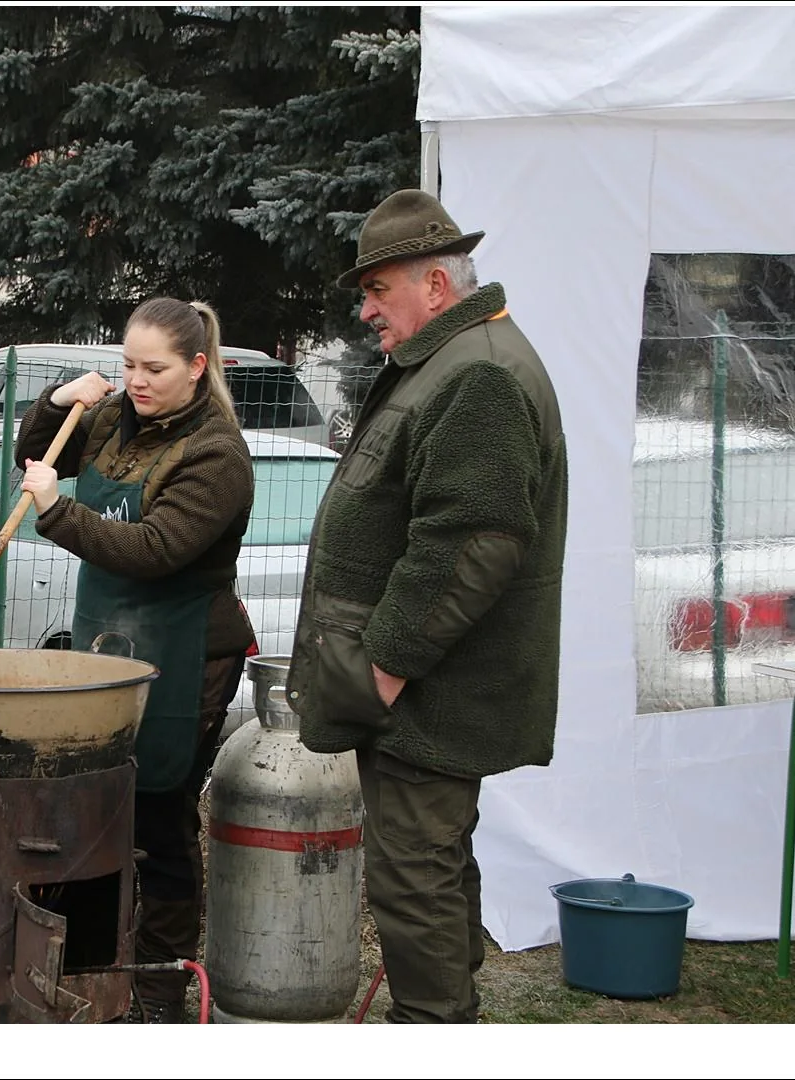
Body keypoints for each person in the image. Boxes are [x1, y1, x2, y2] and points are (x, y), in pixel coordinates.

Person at [284, 189, 568, 1023]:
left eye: (378, 290)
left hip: (428, 696)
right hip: (424, 693)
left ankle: (432, 1028)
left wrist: (382, 673)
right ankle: (448, 1017)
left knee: (413, 876)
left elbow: (470, 544)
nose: (366, 310)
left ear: (435, 286)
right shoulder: (450, 360)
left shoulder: (475, 370)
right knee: (432, 867)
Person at [14, 297, 255, 1023]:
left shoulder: (215, 455)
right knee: (87, 808)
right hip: (107, 641)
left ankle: (158, 996)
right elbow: (38, 445)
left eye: (154, 368)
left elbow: (155, 550)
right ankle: (86, 976)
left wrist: (58, 513)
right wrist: (60, 399)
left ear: (196, 368)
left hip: (188, 652)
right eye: (126, 365)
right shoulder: (118, 417)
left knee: (158, 817)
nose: (137, 380)